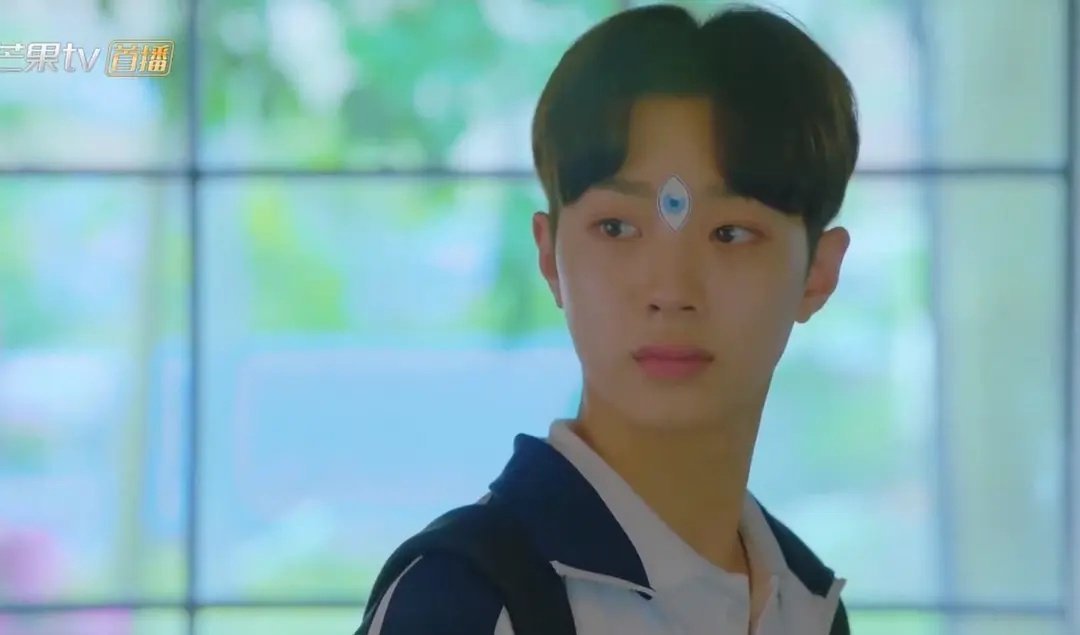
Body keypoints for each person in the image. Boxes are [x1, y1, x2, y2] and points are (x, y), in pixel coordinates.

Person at [359, 3, 859, 633]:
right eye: (617, 227)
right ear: (549, 257)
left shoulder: (808, 605)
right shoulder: (466, 599)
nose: (671, 292)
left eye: (730, 233)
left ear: (819, 273)